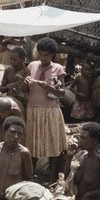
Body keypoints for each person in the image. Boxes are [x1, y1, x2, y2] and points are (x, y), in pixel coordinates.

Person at [23, 37, 67, 184]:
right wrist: (24, 82)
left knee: (52, 143)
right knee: (33, 142)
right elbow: (25, 90)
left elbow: (62, 93)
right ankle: (30, 175)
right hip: (33, 109)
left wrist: (47, 87)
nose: (42, 58)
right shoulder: (31, 66)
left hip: (50, 110)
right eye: (40, 54)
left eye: (46, 55)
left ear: (52, 54)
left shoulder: (58, 69)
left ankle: (53, 177)